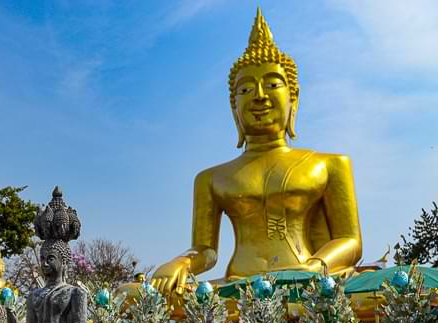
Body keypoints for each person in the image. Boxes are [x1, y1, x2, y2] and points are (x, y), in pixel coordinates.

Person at [151, 8, 362, 298]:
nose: (260, 96)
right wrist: (180, 262)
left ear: (293, 98)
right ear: (233, 107)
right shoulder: (211, 178)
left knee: (393, 287)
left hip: (307, 280)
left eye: (273, 84)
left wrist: (316, 265)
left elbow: (349, 240)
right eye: (246, 89)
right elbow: (206, 251)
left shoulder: (328, 164)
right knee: (132, 295)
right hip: (239, 285)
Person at [0, 188, 88, 323]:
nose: (44, 263)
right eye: (42, 258)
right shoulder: (35, 294)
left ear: (64, 262)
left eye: (50, 259)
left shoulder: (75, 293)